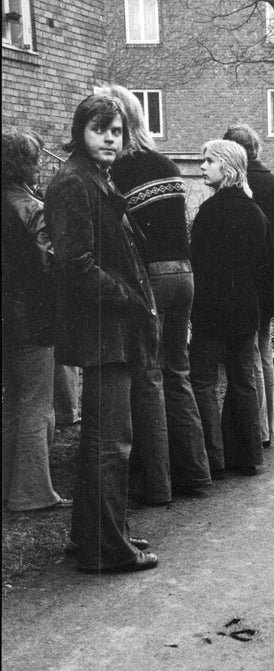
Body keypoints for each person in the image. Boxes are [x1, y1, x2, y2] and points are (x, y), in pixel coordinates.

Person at [44, 94, 160, 573]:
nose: (110, 138)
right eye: (100, 129)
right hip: (103, 329)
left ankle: (95, 536)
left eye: (116, 130)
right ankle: (106, 548)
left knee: (104, 440)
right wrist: (130, 299)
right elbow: (76, 264)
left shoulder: (92, 178)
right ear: (81, 132)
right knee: (110, 444)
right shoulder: (74, 182)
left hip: (109, 328)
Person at [103, 84, 212, 500]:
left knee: (146, 376)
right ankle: (196, 473)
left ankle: (157, 484)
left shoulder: (118, 170)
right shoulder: (166, 163)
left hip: (151, 278)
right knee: (177, 372)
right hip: (184, 274)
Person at [189, 140, 272, 477]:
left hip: (210, 309)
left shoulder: (209, 213)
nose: (202, 167)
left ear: (226, 167)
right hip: (244, 309)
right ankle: (247, 454)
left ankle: (213, 458)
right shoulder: (255, 212)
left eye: (208, 161)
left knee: (204, 382)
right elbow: (265, 268)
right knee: (244, 380)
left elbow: (199, 264)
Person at [2, 131, 70, 513]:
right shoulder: (31, 208)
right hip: (33, 315)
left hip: (6, 314)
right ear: (27, 163)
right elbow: (51, 265)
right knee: (35, 402)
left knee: (13, 400)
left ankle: (10, 484)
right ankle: (32, 493)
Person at [223, 123, 274, 449]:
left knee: (250, 357)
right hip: (268, 277)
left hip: (245, 282)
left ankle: (257, 429)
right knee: (266, 351)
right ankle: (269, 425)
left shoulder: (242, 184)